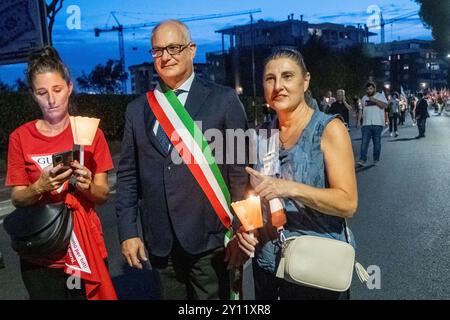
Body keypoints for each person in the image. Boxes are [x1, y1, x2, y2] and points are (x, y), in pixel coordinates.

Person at [115, 20, 249, 300]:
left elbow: (240, 173)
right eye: (158, 50)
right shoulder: (137, 110)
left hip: (212, 241)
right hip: (161, 243)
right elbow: (127, 178)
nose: (166, 57)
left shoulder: (223, 100)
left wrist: (242, 230)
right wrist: (128, 232)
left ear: (191, 50)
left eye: (174, 47)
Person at [236, 48, 358, 300]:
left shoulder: (328, 129)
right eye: (270, 79)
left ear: (305, 81)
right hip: (269, 265)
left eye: (287, 76)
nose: (278, 85)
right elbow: (257, 196)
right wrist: (247, 228)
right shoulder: (261, 134)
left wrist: (289, 188)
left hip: (316, 266)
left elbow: (348, 203)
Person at [5, 46, 116, 300]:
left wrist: (87, 185)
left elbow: (103, 194)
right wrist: (39, 187)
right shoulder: (20, 137)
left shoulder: (90, 132)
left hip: (84, 246)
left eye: (57, 90)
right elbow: (18, 198)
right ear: (33, 95)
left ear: (69, 87)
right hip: (40, 251)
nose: (51, 100)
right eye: (42, 93)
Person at [357, 82, 388, 166]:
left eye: (371, 88)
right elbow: (361, 110)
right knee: (364, 143)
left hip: (377, 124)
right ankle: (362, 160)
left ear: (374, 89)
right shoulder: (364, 98)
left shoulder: (380, 95)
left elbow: (385, 105)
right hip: (366, 124)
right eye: (367, 89)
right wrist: (358, 121)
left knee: (377, 143)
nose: (369, 90)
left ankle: (376, 159)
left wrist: (375, 100)